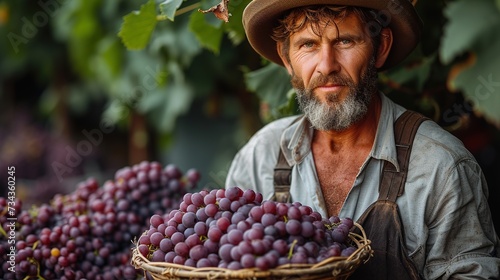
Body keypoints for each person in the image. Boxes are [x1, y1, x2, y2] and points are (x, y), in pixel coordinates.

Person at [225, 0, 500, 279]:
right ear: (287, 60)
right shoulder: (261, 155)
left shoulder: (440, 166)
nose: (326, 66)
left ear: (380, 48)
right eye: (307, 45)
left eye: (345, 41)